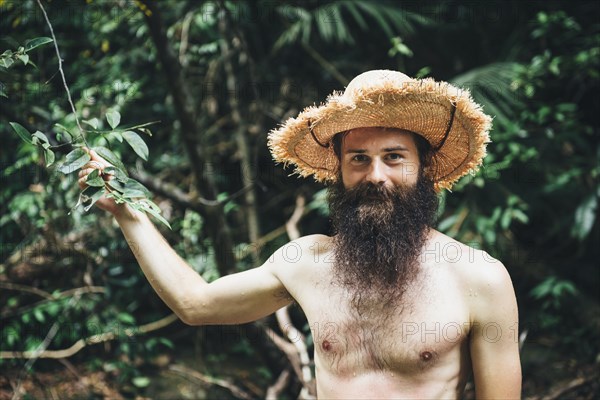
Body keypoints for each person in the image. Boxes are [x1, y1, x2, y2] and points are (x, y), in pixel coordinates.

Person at [78, 70, 521, 398]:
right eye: (359, 159)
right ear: (340, 171)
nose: (376, 175)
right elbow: (196, 304)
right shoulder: (308, 262)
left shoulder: (479, 278)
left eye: (394, 157)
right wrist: (126, 211)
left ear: (423, 168)